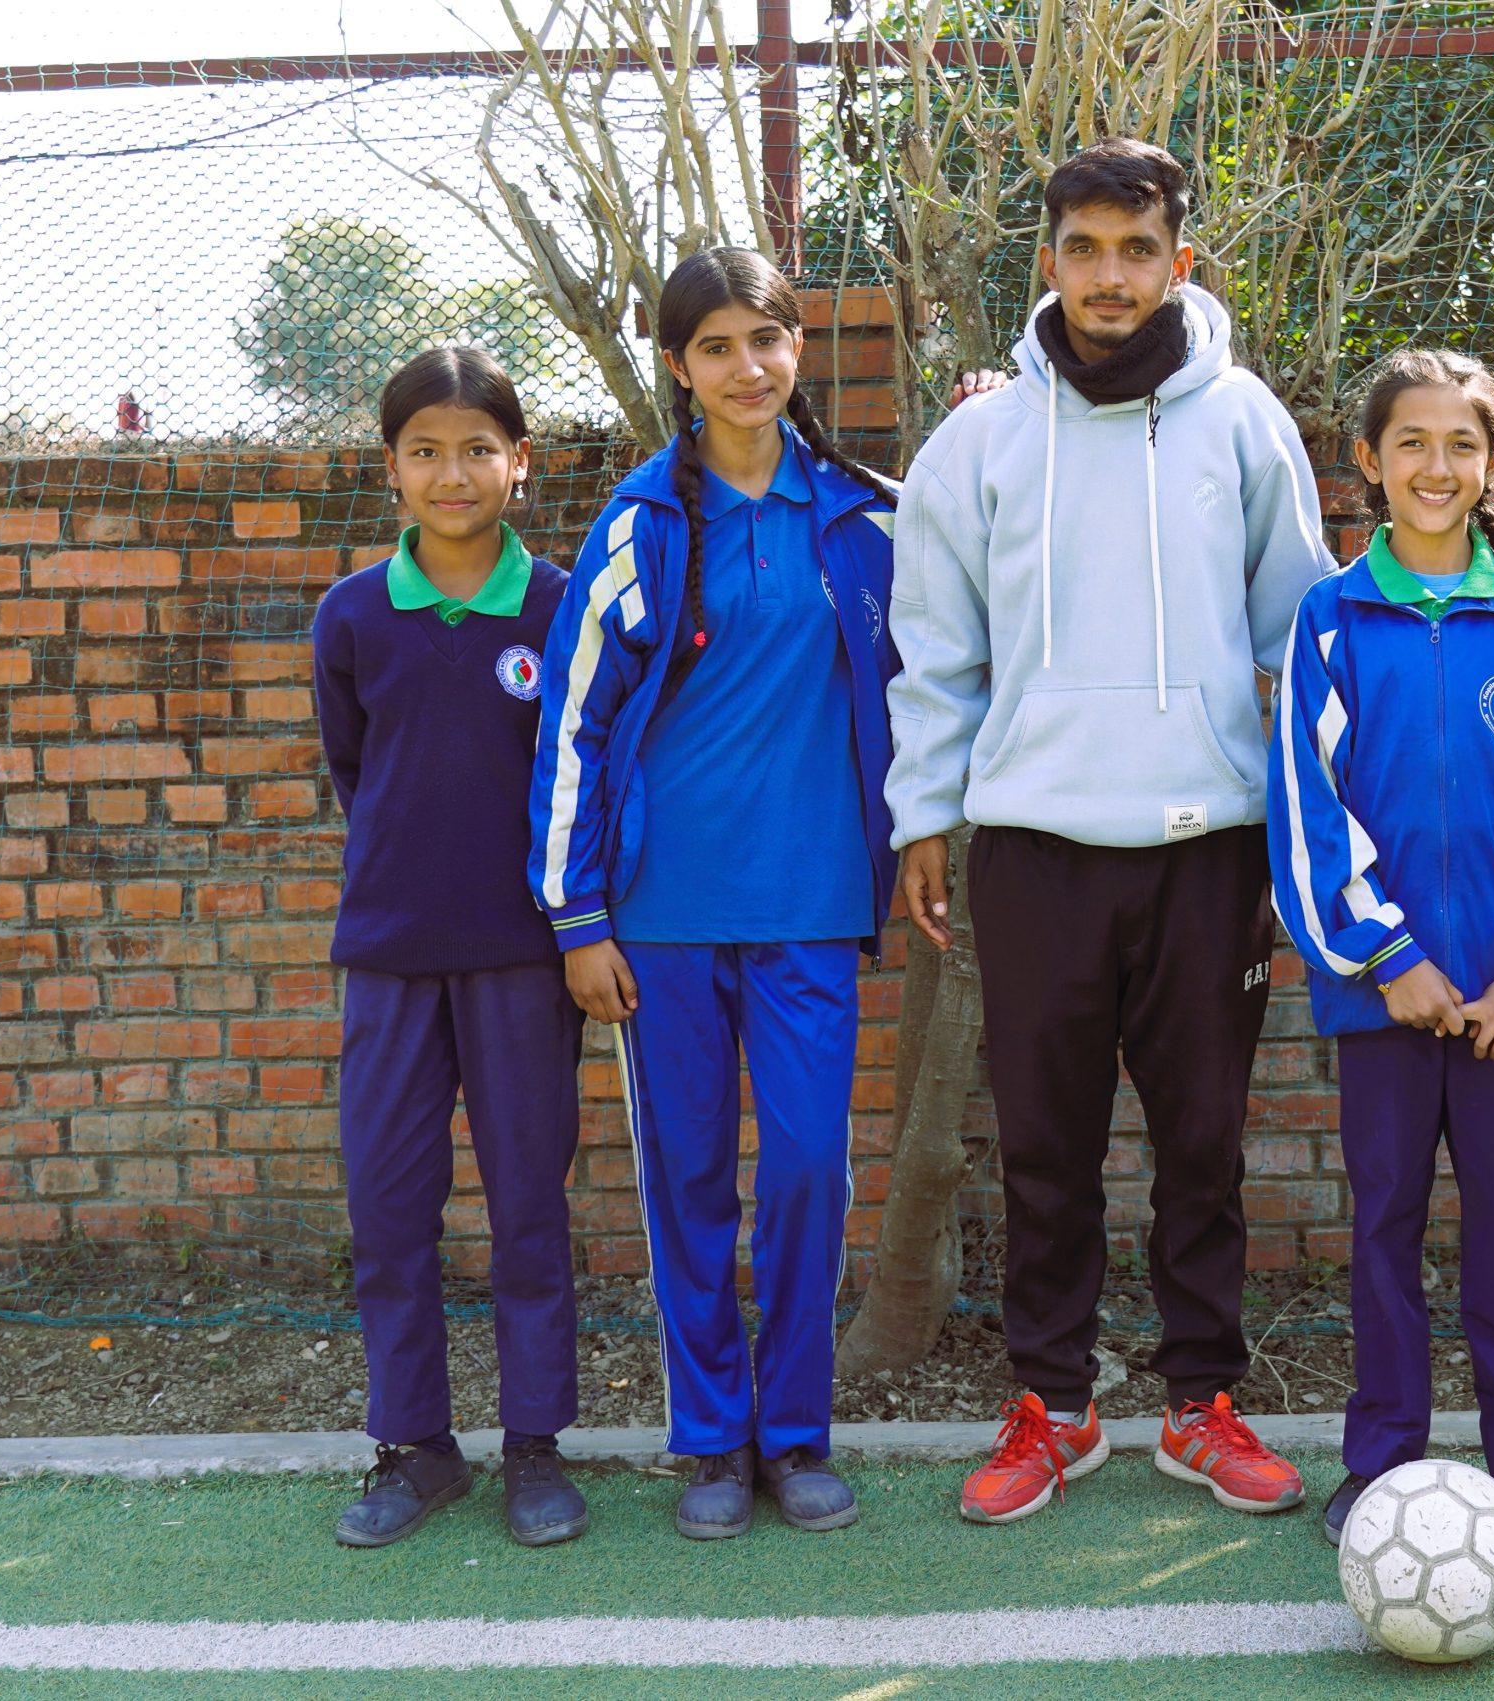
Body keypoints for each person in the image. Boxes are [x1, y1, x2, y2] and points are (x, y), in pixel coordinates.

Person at [886, 137, 1335, 1525]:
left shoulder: (1246, 422)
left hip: (1210, 841)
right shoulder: (979, 439)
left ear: (1178, 260)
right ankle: (1056, 1409)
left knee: (1201, 1147)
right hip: (1033, 846)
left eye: (1136, 249)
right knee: (1046, 1150)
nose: (1108, 275)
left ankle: (1201, 1403)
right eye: (1083, 248)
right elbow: (934, 651)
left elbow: (1299, 627)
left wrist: (1308, 823)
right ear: (1049, 259)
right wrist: (924, 814)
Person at [527, 247, 900, 1540]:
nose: (751, 367)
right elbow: (571, 726)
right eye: (720, 346)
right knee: (689, 1177)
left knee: (806, 1170)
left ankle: (796, 1433)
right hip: (663, 918)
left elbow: (955, 648)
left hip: (812, 904)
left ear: (799, 352)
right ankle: (711, 1440)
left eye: (771, 339)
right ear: (680, 369)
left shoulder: (863, 520)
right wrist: (578, 918)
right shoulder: (638, 527)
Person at [1271, 349, 1494, 1552]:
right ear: (1368, 461)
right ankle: (1383, 1463)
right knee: (1384, 1228)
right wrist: (1385, 956)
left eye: (1461, 444)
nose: (1436, 464)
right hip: (1390, 1002)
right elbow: (1306, 810)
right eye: (1410, 442)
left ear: (1492, 462)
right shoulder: (1331, 616)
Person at [313, 346, 587, 1549]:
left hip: (524, 961)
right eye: (426, 449)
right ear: (392, 469)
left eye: (479, 447)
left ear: (519, 464)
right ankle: (412, 1445)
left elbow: (588, 776)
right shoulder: (354, 615)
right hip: (388, 959)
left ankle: (536, 1445)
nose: (454, 471)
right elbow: (353, 770)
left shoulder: (560, 608)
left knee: (528, 1202)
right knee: (387, 1207)